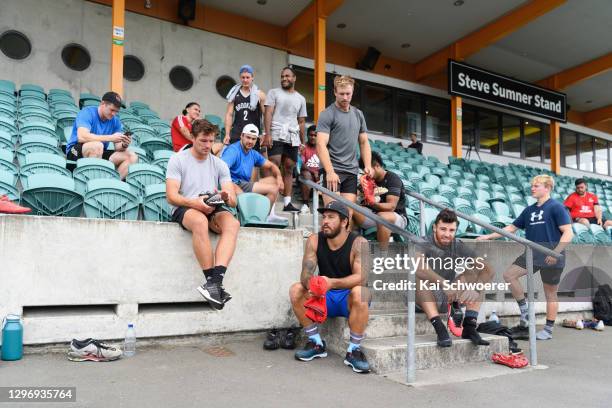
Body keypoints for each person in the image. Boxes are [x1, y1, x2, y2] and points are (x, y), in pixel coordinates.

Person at [478, 175, 573, 340]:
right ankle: (525, 310)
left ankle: (548, 330)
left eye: (536, 186)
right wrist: (489, 237)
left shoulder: (557, 207)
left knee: (550, 294)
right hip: (532, 254)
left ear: (547, 187)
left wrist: (556, 253)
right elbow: (511, 228)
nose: (532, 188)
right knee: (509, 275)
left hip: (552, 256)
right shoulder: (529, 210)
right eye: (532, 185)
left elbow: (568, 232)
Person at [165, 119, 240, 311]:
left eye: (211, 141)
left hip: (213, 206)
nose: (208, 146)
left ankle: (215, 282)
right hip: (187, 205)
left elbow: (233, 200)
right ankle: (211, 281)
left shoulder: (219, 164)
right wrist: (195, 203)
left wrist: (225, 197)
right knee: (199, 221)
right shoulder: (178, 159)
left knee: (233, 224)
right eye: (203, 141)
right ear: (193, 137)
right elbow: (171, 196)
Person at [289, 201, 371, 374]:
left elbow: (362, 277)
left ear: (344, 222)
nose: (325, 221)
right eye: (324, 216)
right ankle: (316, 343)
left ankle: (353, 350)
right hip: (323, 297)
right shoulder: (314, 239)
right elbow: (306, 272)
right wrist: (310, 284)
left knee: (361, 292)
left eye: (331, 217)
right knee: (296, 289)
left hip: (347, 297)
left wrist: (332, 283)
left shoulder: (359, 242)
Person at [416, 209, 494, 347]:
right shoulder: (423, 242)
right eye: (443, 229)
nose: (447, 234)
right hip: (423, 297)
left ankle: (469, 326)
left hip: (448, 295)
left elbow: (488, 269)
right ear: (434, 227)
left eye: (451, 230)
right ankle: (440, 328)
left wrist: (475, 289)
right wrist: (445, 284)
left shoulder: (457, 244)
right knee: (418, 278)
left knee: (475, 274)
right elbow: (420, 268)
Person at [316, 75, 373, 216]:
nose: (345, 97)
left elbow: (364, 142)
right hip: (333, 170)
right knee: (332, 214)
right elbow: (320, 144)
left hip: (351, 172)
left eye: (348, 93)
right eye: (341, 94)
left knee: (347, 217)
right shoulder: (327, 114)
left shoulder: (358, 114)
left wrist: (367, 164)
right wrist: (329, 172)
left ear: (352, 92)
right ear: (335, 92)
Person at [221, 124, 286, 223]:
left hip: (244, 184)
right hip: (232, 184)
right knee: (244, 196)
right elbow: (221, 169)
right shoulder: (233, 150)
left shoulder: (253, 153)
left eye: (253, 139)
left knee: (274, 184)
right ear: (242, 136)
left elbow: (272, 166)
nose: (250, 141)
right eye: (248, 137)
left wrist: (279, 177)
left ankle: (264, 217)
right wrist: (231, 185)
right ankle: (250, 218)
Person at [263, 66, 307, 212]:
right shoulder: (273, 92)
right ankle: (272, 201)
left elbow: (301, 122)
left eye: (287, 76)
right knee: (273, 165)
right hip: (276, 133)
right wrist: (267, 134)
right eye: (282, 76)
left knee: (289, 167)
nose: (284, 79)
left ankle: (287, 203)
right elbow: (268, 113)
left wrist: (302, 141)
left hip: (292, 136)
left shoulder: (301, 98)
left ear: (294, 78)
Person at [66, 91, 138, 180]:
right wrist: (110, 138)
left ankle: (110, 185)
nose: (114, 114)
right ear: (103, 104)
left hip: (99, 152)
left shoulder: (115, 121)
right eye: (112, 110)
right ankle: (93, 185)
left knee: (132, 156)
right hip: (75, 151)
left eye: (116, 111)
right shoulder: (87, 112)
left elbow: (118, 148)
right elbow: (82, 137)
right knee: (97, 145)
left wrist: (124, 144)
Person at [353, 151, 407, 247]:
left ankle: (382, 256)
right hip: (374, 215)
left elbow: (391, 206)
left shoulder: (392, 179)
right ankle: (351, 247)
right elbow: (355, 194)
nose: (366, 173)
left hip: (397, 217)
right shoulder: (368, 179)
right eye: (364, 170)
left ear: (377, 166)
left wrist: (372, 203)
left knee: (383, 216)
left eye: (368, 170)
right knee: (350, 208)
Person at [223, 65, 267, 152]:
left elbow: (266, 115)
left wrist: (264, 133)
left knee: (251, 160)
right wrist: (227, 134)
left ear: (252, 78)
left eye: (247, 77)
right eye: (243, 77)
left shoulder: (260, 94)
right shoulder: (234, 94)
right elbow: (229, 114)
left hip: (253, 133)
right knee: (234, 156)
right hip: (237, 132)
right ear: (240, 78)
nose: (245, 80)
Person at [299, 125, 320, 212]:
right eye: (311, 135)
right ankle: (306, 204)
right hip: (307, 176)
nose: (313, 137)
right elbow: (301, 164)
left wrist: (319, 173)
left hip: (320, 177)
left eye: (315, 135)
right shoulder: (304, 148)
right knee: (306, 174)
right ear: (307, 135)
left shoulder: (322, 148)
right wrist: (313, 172)